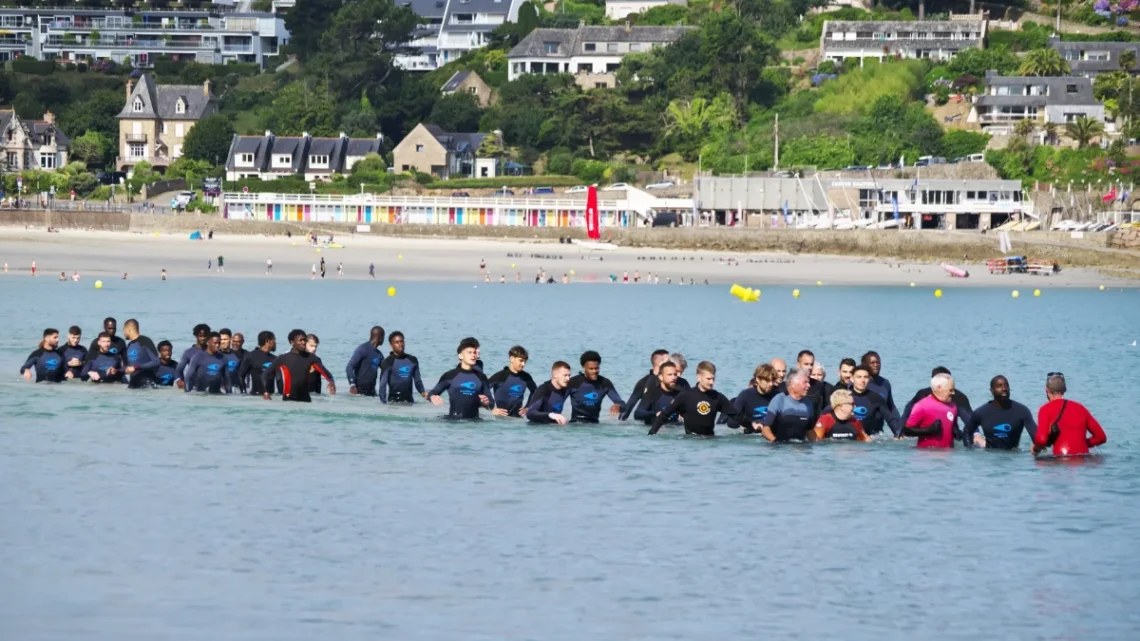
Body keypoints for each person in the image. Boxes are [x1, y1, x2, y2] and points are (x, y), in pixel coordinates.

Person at [648, 361, 741, 436]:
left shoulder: (717, 397)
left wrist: (753, 427)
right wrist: (652, 433)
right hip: (690, 441)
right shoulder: (685, 396)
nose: (711, 382)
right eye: (708, 379)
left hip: (710, 441)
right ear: (699, 377)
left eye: (713, 379)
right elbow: (665, 414)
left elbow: (737, 416)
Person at [1031, 373, 1106, 457]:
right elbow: (1101, 437)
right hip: (1083, 460)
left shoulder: (1045, 409)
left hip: (1059, 461)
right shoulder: (1080, 408)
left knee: (1039, 463)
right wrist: (1082, 444)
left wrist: (1035, 449)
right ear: (1065, 390)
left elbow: (1041, 439)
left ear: (1046, 390)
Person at [965, 375, 1037, 449]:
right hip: (989, 457)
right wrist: (970, 449)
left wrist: (1036, 450)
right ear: (991, 390)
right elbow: (967, 431)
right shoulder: (981, 412)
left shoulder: (1022, 411)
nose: (1004, 389)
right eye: (999, 386)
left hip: (1013, 457)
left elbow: (1037, 437)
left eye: (1006, 386)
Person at [428, 337, 492, 419]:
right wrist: (432, 397)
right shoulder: (450, 375)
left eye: (474, 352)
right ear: (460, 356)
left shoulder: (481, 377)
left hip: (475, 423)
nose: (473, 355)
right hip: (453, 422)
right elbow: (433, 392)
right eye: (469, 352)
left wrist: (485, 402)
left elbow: (491, 402)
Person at [263, 330, 335, 402]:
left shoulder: (311, 358)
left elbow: (326, 373)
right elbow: (266, 374)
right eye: (300, 340)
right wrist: (265, 392)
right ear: (292, 342)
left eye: (304, 340)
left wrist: (331, 382)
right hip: (288, 401)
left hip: (306, 400)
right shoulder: (283, 358)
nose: (303, 342)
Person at [901, 366, 973, 430]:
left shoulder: (959, 397)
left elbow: (969, 417)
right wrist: (898, 432)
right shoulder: (922, 395)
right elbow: (908, 409)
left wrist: (976, 434)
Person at [758, 369, 818, 442]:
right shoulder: (779, 400)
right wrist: (776, 442)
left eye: (808, 382)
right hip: (780, 448)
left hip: (801, 449)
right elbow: (765, 429)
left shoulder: (808, 404)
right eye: (805, 382)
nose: (809, 385)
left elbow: (810, 430)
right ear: (792, 384)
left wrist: (817, 446)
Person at [900, 373, 958, 448]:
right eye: (951, 390)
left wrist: (957, 433)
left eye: (954, 390)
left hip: (949, 457)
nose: (953, 393)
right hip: (926, 456)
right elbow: (906, 431)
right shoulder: (921, 406)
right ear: (939, 388)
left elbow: (954, 427)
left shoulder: (953, 407)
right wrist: (928, 430)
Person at [567, 351, 626, 423]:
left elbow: (624, 406)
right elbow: (558, 400)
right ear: (584, 367)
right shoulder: (573, 382)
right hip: (576, 423)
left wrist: (618, 405)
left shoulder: (605, 383)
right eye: (591, 369)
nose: (594, 371)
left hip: (594, 425)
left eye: (596, 368)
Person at [844, 365, 902, 437]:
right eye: (859, 377)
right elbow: (828, 413)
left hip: (870, 439)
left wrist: (898, 434)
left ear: (869, 379)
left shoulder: (876, 398)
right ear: (852, 379)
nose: (863, 380)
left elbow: (890, 419)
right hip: (848, 439)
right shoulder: (844, 397)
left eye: (866, 377)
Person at [723, 364, 781, 433]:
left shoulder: (778, 396)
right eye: (767, 380)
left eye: (772, 380)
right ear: (758, 379)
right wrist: (750, 424)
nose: (771, 384)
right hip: (752, 434)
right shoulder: (745, 395)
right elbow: (731, 422)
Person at [619, 349, 670, 420]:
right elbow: (627, 409)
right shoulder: (643, 383)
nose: (671, 365)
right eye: (668, 362)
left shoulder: (671, 381)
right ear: (659, 363)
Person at [487, 345, 537, 418]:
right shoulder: (500, 376)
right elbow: (482, 390)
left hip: (517, 419)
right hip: (500, 420)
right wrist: (491, 409)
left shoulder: (526, 377)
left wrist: (527, 408)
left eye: (525, 361)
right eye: (521, 360)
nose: (523, 364)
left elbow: (536, 392)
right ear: (511, 359)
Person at [378, 331, 427, 403]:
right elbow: (382, 385)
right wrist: (383, 403)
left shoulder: (412, 360)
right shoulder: (387, 362)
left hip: (410, 402)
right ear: (391, 345)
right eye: (397, 342)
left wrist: (423, 393)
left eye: (402, 341)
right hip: (393, 403)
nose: (400, 344)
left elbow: (418, 382)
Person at [633, 361, 683, 426]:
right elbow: (637, 414)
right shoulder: (653, 392)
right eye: (669, 375)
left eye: (675, 374)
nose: (673, 378)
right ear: (661, 377)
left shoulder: (681, 392)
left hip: (675, 428)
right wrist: (655, 414)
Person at [347, 326, 386, 396]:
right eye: (383, 337)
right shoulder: (362, 349)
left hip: (371, 393)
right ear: (380, 337)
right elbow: (349, 367)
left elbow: (386, 369)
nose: (384, 339)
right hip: (358, 392)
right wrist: (352, 385)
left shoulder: (379, 355)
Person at [122, 318, 159, 389]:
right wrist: (116, 370)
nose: (123, 332)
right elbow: (128, 367)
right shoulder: (129, 345)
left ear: (129, 329)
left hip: (147, 381)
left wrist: (136, 367)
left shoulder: (145, 341)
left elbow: (156, 362)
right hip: (133, 383)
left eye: (124, 330)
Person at [238, 331, 278, 395]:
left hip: (271, 396)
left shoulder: (275, 359)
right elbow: (240, 375)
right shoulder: (251, 356)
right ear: (268, 341)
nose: (275, 343)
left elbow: (279, 379)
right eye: (274, 340)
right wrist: (244, 393)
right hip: (255, 397)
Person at [174, 324, 211, 389]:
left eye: (205, 336)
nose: (202, 338)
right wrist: (180, 382)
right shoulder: (188, 352)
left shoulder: (212, 351)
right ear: (195, 336)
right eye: (200, 336)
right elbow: (178, 370)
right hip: (194, 388)